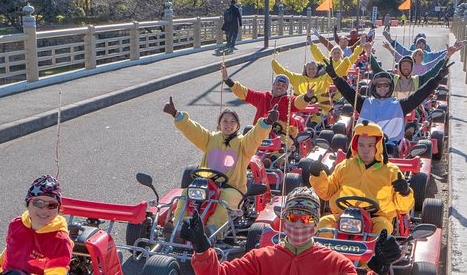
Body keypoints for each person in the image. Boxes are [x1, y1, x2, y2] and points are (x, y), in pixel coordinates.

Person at [185, 186, 402, 275]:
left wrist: (379, 267)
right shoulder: (260, 258)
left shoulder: (336, 264)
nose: (298, 223)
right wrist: (203, 249)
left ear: (316, 224)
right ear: (284, 221)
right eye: (291, 217)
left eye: (306, 218)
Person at [163, 96, 277, 235]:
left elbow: (255, 136)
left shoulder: (243, 144)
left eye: (232, 121)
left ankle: (211, 230)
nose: (228, 124)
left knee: (224, 200)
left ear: (237, 125)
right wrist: (176, 114)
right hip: (206, 185)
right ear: (219, 124)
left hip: (232, 188)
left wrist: (266, 122)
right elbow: (193, 130)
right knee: (186, 194)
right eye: (225, 121)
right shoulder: (211, 139)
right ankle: (178, 228)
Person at [309, 121, 415, 236]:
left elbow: (403, 208)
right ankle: (323, 253)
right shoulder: (344, 166)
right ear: (355, 145)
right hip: (343, 215)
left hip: (377, 218)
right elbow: (327, 192)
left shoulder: (391, 172)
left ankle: (375, 253)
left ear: (378, 146)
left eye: (370, 145)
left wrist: (405, 192)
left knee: (382, 230)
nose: (365, 150)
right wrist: (317, 175)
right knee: (323, 223)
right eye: (361, 145)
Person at [325, 57, 451, 153]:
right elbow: (347, 91)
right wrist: (335, 77)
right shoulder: (364, 103)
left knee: (389, 150)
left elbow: (420, 94)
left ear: (390, 87)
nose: (382, 88)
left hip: (390, 147)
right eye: (379, 85)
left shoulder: (399, 105)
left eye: (386, 85)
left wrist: (437, 78)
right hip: (364, 146)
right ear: (374, 87)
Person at [0, 175, 73, 275]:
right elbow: (10, 249)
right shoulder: (16, 224)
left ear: (58, 209)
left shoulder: (60, 241)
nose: (44, 210)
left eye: (51, 205)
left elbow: (57, 272)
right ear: (28, 204)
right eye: (38, 203)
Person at [221, 63, 314, 146]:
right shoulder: (263, 97)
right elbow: (244, 92)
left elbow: (298, 103)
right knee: (244, 137)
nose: (280, 87)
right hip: (259, 132)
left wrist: (307, 97)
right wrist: (228, 80)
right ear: (273, 85)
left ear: (286, 89)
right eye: (278, 84)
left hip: (280, 135)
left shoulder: (289, 100)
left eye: (283, 86)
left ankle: (273, 161)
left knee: (285, 143)